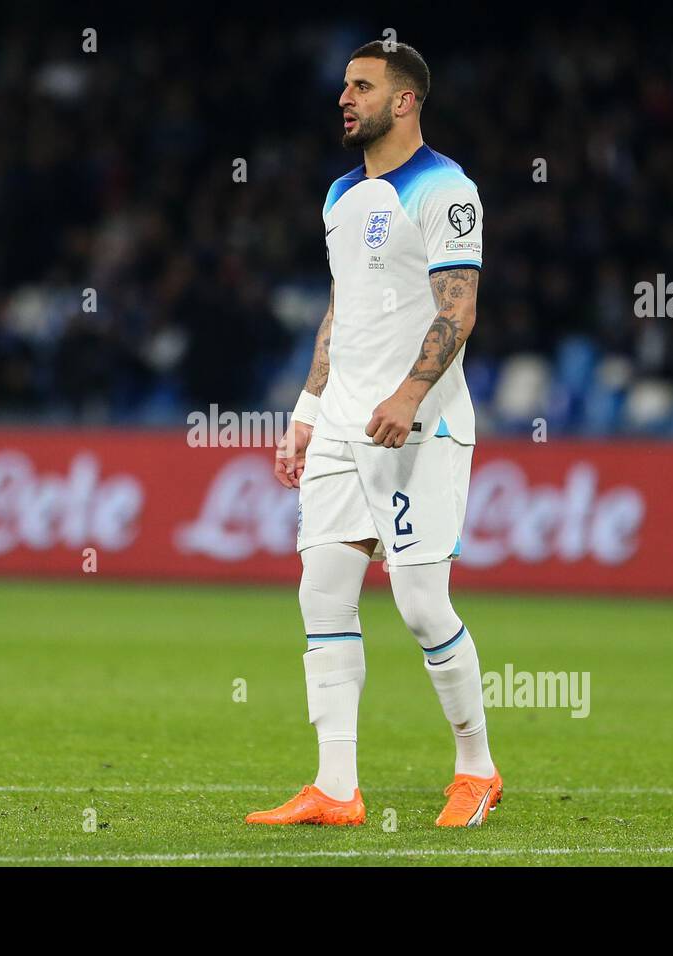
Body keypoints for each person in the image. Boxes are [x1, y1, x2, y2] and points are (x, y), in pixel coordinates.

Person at [245, 41, 498, 828]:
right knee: (321, 590)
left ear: (406, 100)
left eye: (363, 87)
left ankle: (476, 768)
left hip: (419, 428)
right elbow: (342, 311)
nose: (345, 99)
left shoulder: (446, 189)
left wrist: (409, 393)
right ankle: (336, 788)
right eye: (344, 87)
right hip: (344, 425)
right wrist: (306, 412)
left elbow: (457, 309)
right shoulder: (339, 196)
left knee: (422, 605)